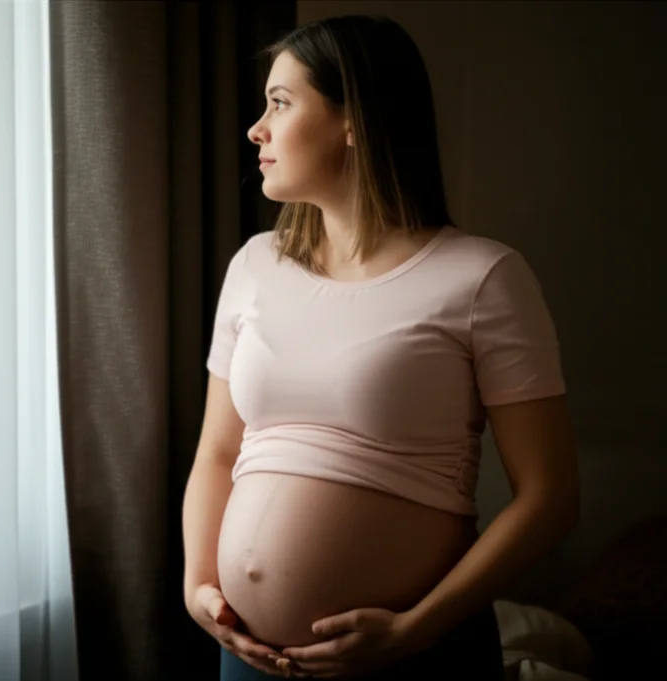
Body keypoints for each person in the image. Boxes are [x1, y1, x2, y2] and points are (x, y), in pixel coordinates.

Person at [181, 14, 580, 681]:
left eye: (280, 103)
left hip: (411, 657)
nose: (257, 127)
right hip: (247, 657)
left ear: (352, 121)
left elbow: (550, 497)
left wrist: (412, 630)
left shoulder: (482, 278)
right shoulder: (253, 265)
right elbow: (218, 452)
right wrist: (201, 588)